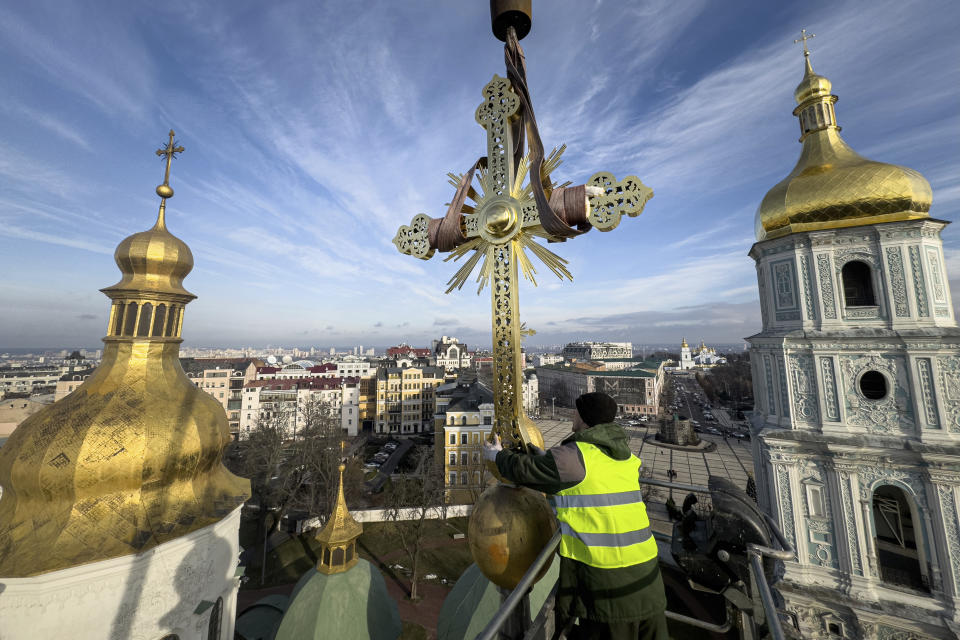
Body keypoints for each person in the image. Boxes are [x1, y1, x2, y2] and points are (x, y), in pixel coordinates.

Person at [483, 392, 668, 640]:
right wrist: (545, 459)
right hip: (647, 577)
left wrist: (497, 456)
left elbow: (525, 471)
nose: (572, 414)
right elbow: (582, 480)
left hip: (607, 583)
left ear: (584, 418)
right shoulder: (624, 456)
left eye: (576, 411)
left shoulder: (576, 455)